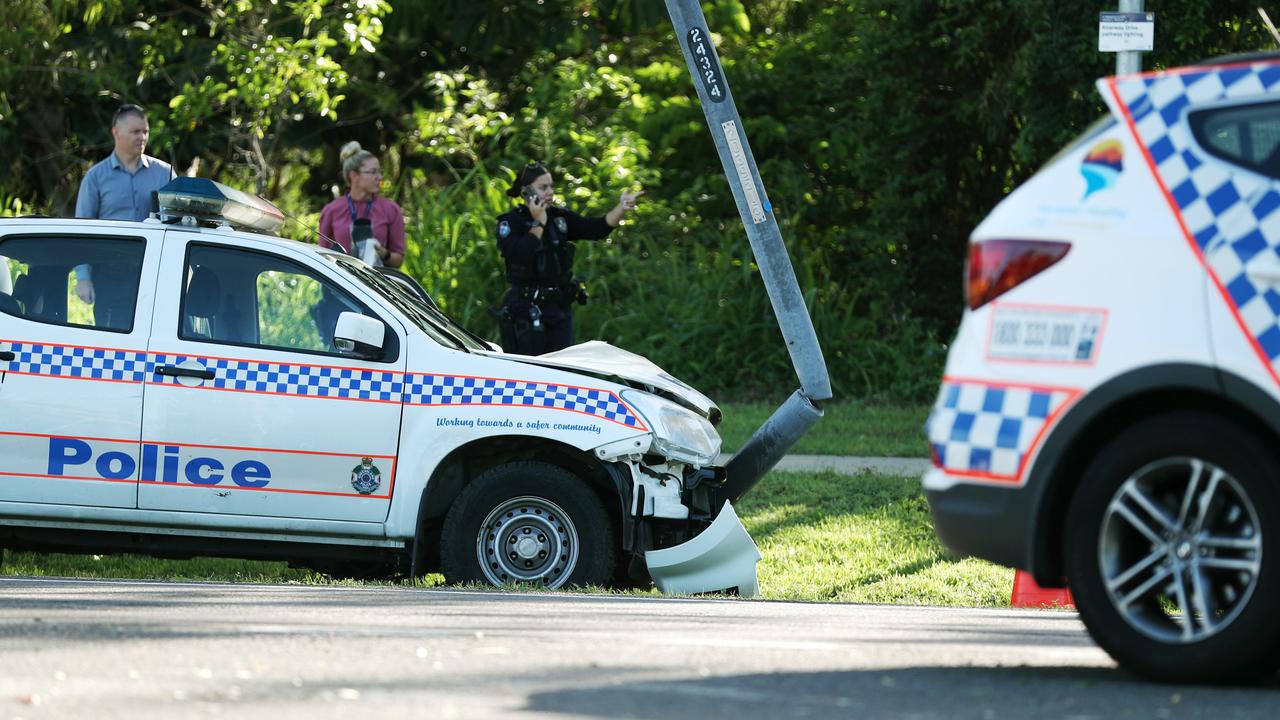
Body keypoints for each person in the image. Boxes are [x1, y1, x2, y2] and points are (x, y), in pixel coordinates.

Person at [495, 161, 642, 354]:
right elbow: (520, 254)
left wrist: (622, 208)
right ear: (526, 192)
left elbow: (595, 229)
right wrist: (538, 222)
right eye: (543, 187)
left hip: (559, 310)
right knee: (531, 374)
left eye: (551, 187)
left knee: (561, 373)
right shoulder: (511, 222)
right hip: (526, 311)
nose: (549, 192)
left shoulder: (559, 218)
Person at [74, 103, 176, 327]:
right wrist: (83, 277)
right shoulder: (96, 177)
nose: (142, 137)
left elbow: (179, 225)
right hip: (110, 276)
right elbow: (82, 230)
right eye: (135, 132)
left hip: (156, 276)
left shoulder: (165, 174)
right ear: (116, 133)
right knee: (113, 345)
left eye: (145, 131)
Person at [317, 141, 405, 269]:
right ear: (354, 175)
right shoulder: (332, 210)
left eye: (380, 172)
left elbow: (398, 260)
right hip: (339, 284)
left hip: (375, 285)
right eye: (373, 172)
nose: (379, 177)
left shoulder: (391, 210)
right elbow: (321, 256)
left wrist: (384, 254)